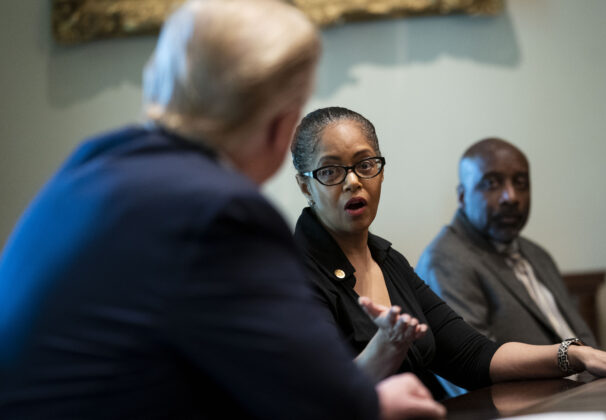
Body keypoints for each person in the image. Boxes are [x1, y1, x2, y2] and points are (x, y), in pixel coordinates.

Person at [0, 2, 445, 419]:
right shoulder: (219, 211)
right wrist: (376, 402)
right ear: (279, 125)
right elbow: (317, 397)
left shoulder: (94, 163)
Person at [290, 106, 606, 401]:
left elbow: (474, 355)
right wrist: (385, 348)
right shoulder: (293, 272)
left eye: (366, 164)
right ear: (305, 185)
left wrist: (578, 356)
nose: (353, 182)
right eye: (330, 171)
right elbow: (319, 398)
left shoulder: (388, 261)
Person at [416, 137, 596, 347]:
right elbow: (472, 371)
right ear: (462, 197)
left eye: (520, 183)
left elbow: (583, 337)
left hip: (595, 378)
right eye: (492, 183)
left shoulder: (537, 254)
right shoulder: (445, 261)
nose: (511, 197)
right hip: (554, 381)